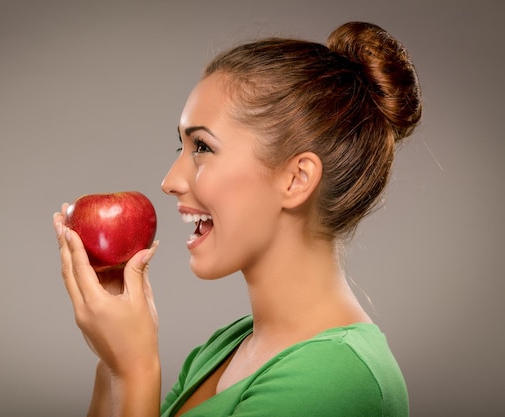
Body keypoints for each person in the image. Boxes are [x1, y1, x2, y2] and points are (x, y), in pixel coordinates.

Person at [53, 21, 422, 417]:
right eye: (182, 145)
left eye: (202, 147)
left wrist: (136, 370)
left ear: (296, 179)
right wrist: (112, 363)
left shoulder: (339, 377)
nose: (169, 181)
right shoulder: (225, 347)